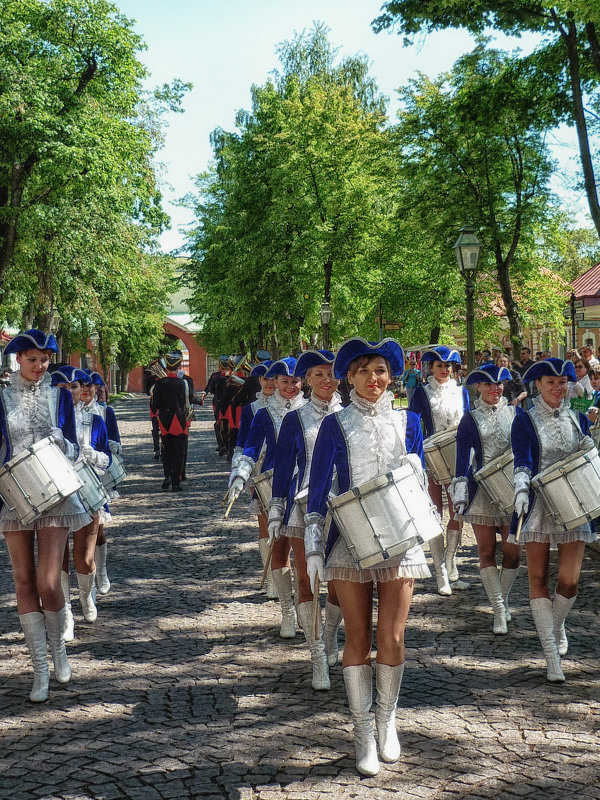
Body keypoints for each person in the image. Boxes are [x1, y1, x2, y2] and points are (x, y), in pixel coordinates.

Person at [305, 337, 431, 777]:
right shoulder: (334, 426)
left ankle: (386, 720)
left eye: (380, 371)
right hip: (349, 541)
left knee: (393, 638)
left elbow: (420, 479)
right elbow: (318, 486)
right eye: (363, 372)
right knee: (358, 637)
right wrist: (314, 545)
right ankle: (361, 732)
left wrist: (421, 469)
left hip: (400, 539)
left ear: (390, 375)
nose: (373, 379)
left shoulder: (411, 421)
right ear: (350, 377)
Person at [0, 330, 92, 702]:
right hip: (12, 494)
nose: (40, 366)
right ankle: (39, 670)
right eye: (33, 360)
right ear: (18, 359)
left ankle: (58, 650)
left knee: (49, 582)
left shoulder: (60, 397)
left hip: (55, 491)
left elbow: (75, 448)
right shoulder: (1, 397)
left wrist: (62, 439)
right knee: (23, 581)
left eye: (45, 360)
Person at [510, 358, 597, 682]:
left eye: (562, 382)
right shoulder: (525, 420)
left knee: (570, 581)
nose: (558, 388)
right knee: (538, 580)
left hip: (575, 504)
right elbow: (522, 460)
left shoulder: (577, 418)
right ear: (538, 385)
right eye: (551, 383)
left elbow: (586, 455)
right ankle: (551, 656)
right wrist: (520, 490)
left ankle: (556, 626)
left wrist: (592, 449)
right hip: (537, 505)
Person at [269, 350, 342, 691]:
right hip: (304, 508)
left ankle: (329, 636)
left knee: (343, 582)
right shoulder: (295, 419)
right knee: (308, 580)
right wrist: (275, 510)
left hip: (346, 508)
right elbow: (283, 469)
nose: (326, 380)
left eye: (331, 373)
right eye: (317, 375)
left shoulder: (350, 413)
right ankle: (316, 657)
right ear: (307, 381)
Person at [227, 357, 307, 637]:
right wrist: (240, 472)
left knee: (306, 554)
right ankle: (286, 610)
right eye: (284, 382)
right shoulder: (263, 414)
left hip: (305, 487)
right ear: (274, 382)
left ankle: (304, 607)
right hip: (273, 485)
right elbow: (250, 447)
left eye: (295, 381)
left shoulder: (310, 410)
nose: (290, 387)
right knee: (280, 546)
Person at [451, 364, 522, 634]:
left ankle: (501, 599)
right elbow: (461, 459)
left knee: (514, 552)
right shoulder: (470, 419)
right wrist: (459, 493)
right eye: (489, 385)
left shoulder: (516, 414)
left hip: (511, 490)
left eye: (500, 384)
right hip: (481, 492)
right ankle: (499, 610)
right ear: (478, 387)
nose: (496, 389)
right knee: (485, 551)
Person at [52, 367, 111, 638]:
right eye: (62, 388)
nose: (69, 393)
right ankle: (65, 613)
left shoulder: (96, 420)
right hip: (56, 493)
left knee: (84, 558)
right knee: (58, 557)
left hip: (87, 491)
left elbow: (108, 459)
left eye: (73, 387)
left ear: (81, 390)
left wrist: (93, 455)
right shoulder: (47, 422)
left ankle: (86, 596)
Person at [409, 345, 470, 595]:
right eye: (439, 366)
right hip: (433, 457)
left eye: (448, 366)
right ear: (430, 368)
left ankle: (451, 560)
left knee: (459, 511)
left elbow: (468, 422)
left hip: (459, 457)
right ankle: (440, 572)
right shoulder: (422, 393)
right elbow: (412, 423)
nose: (444, 370)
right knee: (435, 514)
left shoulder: (462, 391)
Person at [230, 360, 277, 599]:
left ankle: (284, 573)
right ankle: (270, 576)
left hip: (288, 469)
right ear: (259, 381)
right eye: (265, 379)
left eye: (273, 378)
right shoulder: (251, 409)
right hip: (259, 469)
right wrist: (239, 471)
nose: (269, 383)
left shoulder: (290, 405)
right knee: (266, 523)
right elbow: (242, 442)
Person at [83, 371, 122, 595]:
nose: (87, 390)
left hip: (97, 474)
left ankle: (101, 570)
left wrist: (103, 451)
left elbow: (115, 440)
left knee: (97, 529)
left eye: (91, 386)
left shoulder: (105, 412)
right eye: (83, 386)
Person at [150, 353, 190, 492]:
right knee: (178, 452)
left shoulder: (159, 383)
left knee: (166, 451)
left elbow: (155, 405)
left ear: (166, 367)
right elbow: (186, 402)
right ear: (178, 367)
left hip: (165, 420)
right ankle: (176, 482)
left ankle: (167, 475)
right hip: (178, 420)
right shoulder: (182, 383)